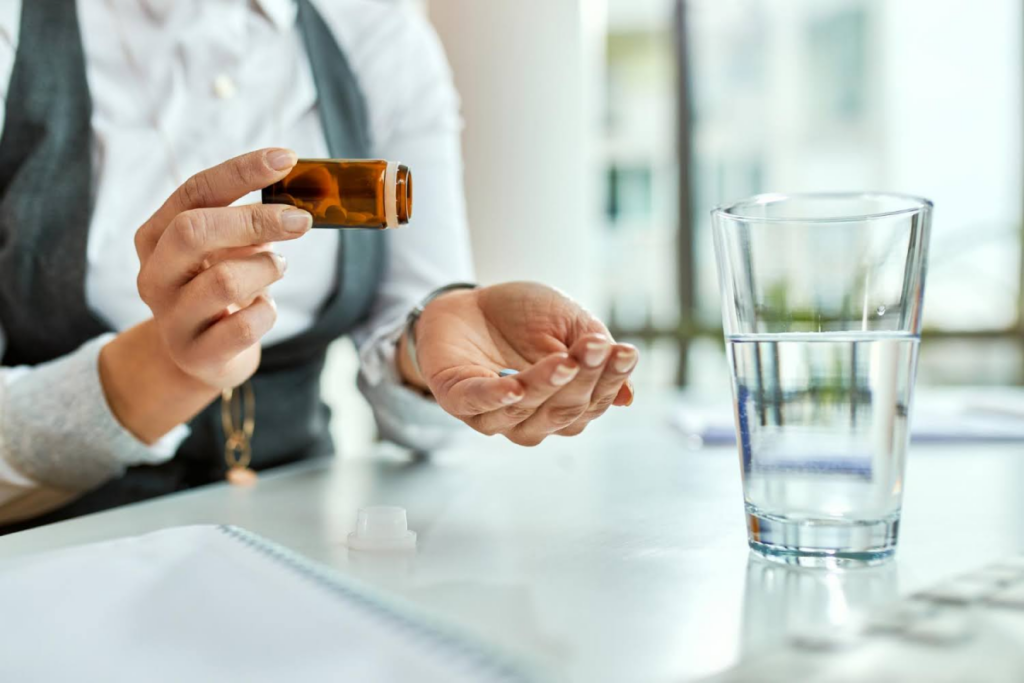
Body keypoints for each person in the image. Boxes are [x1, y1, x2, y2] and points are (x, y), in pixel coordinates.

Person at [0, 0, 638, 530]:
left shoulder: (373, 31)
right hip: (59, 551)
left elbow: (420, 398)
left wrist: (434, 339)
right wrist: (168, 370)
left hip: (302, 536)